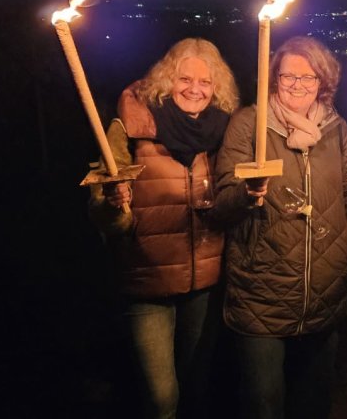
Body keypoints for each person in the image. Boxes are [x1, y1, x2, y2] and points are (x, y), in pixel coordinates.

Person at [213, 36, 347, 419]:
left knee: (314, 402)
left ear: (322, 82)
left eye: (308, 77)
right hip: (262, 291)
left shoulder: (335, 127)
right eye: (288, 76)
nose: (298, 85)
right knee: (264, 403)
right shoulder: (249, 123)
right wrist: (247, 195)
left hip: (323, 292)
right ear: (273, 78)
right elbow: (221, 204)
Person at [89, 37, 239, 418]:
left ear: (217, 88)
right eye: (184, 79)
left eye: (205, 83)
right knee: (161, 398)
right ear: (166, 80)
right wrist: (113, 204)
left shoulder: (225, 130)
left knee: (195, 388)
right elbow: (106, 215)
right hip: (147, 280)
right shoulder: (132, 126)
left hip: (203, 281)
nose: (194, 89)